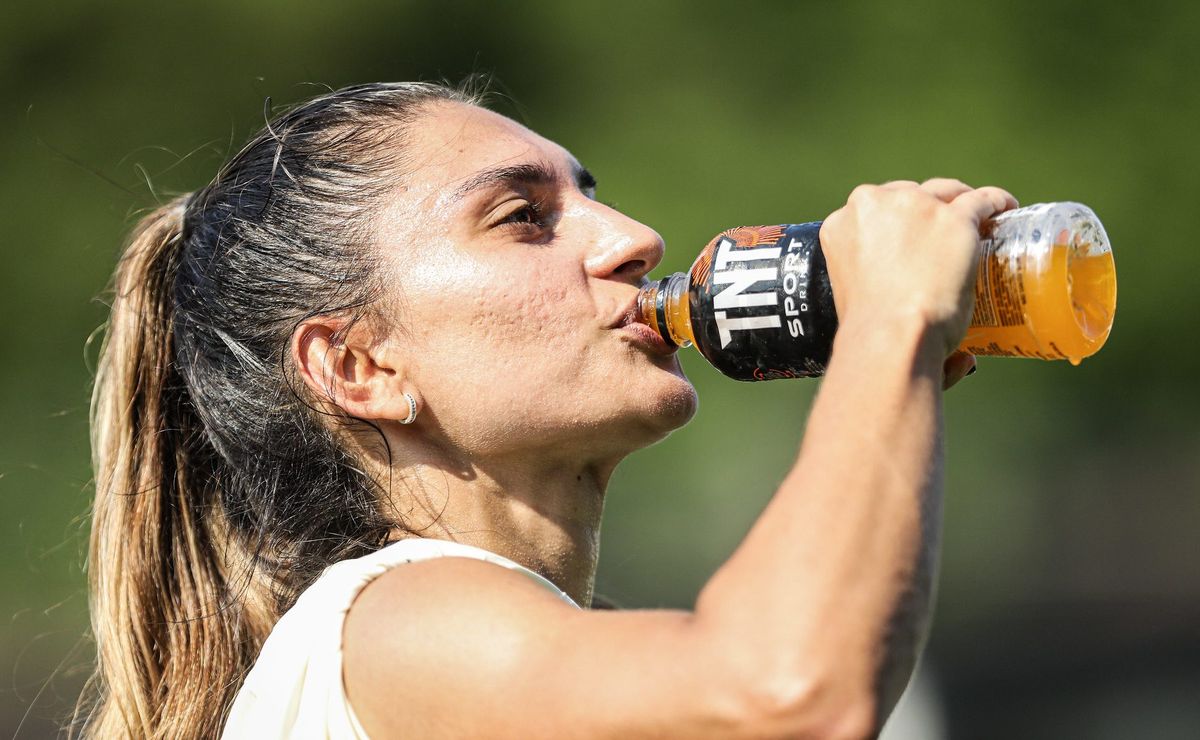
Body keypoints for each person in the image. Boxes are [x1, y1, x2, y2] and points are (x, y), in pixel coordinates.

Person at [78, 81, 1013, 739]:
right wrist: (890, 328)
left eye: (590, 197)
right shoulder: (394, 620)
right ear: (359, 366)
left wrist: (899, 364)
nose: (638, 240)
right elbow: (789, 694)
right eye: (523, 216)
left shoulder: (532, 644)